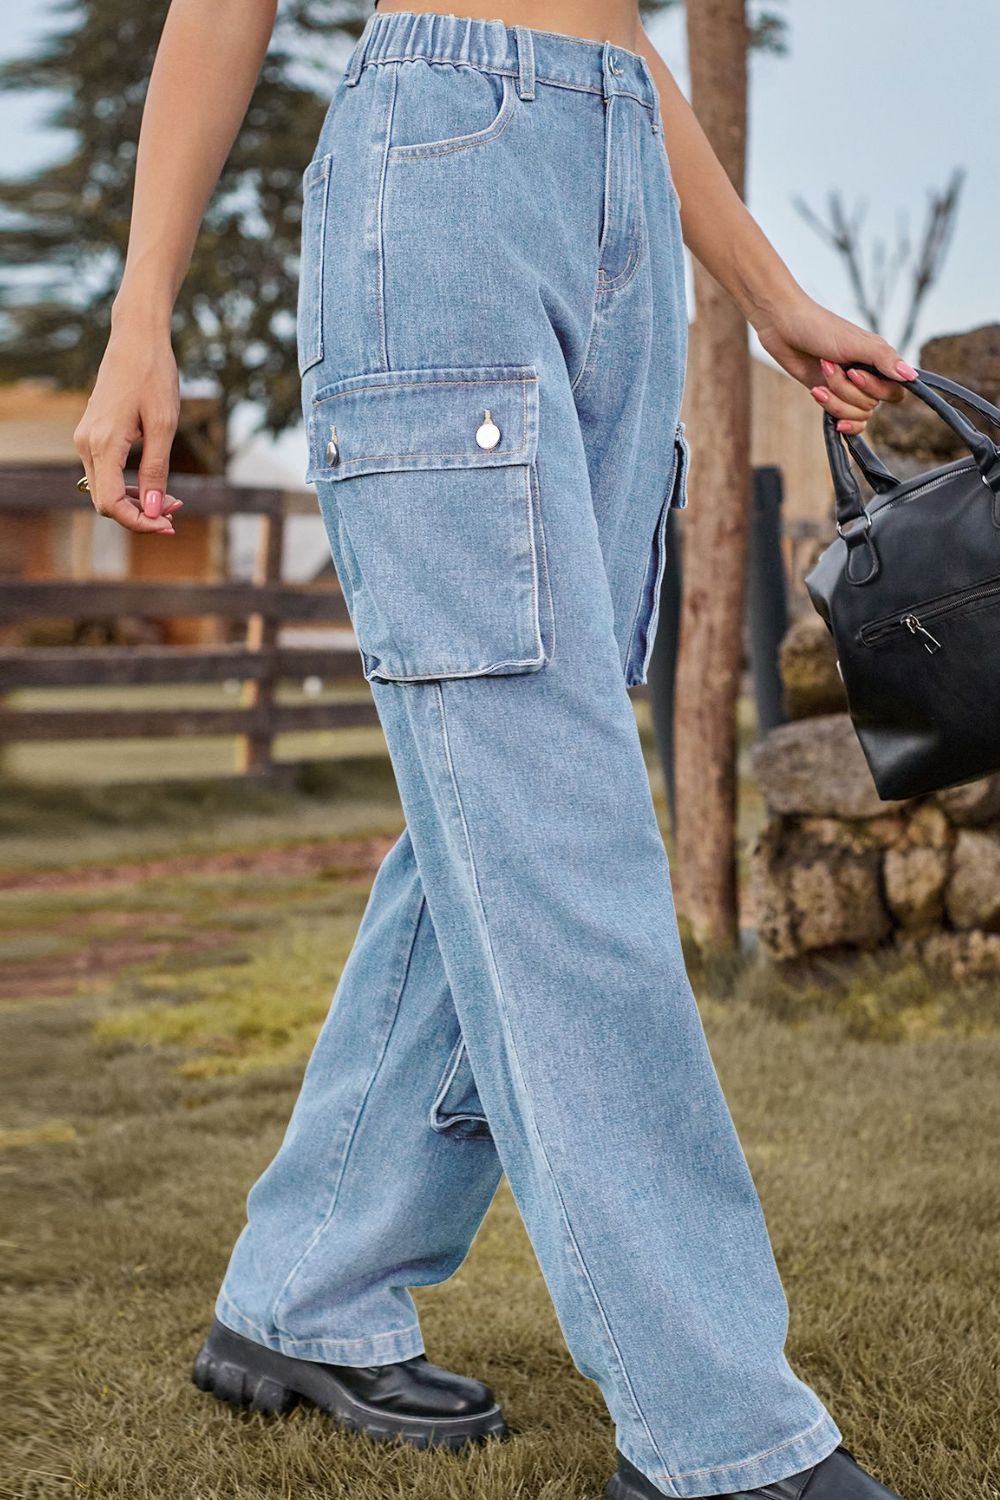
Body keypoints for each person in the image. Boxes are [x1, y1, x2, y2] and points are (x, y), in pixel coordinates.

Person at [74, 3, 916, 1496]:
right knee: (552, 820)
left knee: (500, 795)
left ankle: (307, 1289)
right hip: (443, 172)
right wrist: (143, 312)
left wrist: (770, 293)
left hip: (622, 186)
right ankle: (718, 1429)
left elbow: (621, 34)